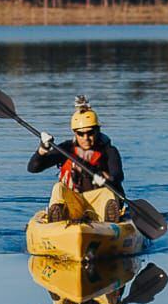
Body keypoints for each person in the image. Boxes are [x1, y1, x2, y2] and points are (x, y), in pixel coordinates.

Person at [27, 95, 125, 223]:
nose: (86, 138)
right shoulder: (66, 149)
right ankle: (57, 217)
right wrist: (42, 149)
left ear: (98, 131)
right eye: (81, 133)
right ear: (75, 133)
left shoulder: (109, 151)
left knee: (108, 192)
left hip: (99, 203)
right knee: (58, 188)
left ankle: (110, 221)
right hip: (74, 203)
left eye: (90, 133)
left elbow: (118, 176)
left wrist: (106, 179)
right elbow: (33, 168)